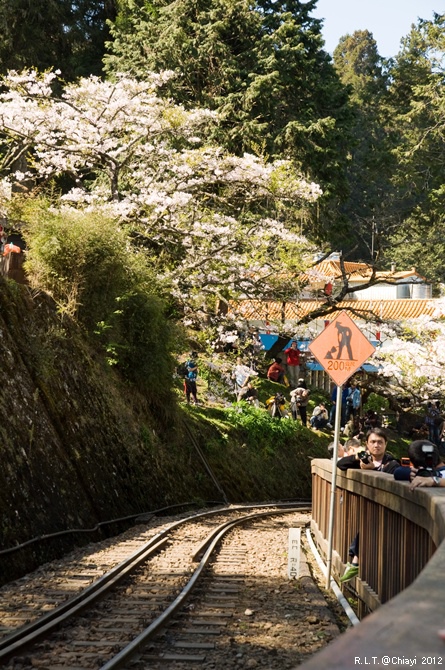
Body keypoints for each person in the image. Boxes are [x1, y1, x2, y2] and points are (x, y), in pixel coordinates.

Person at [337, 427, 399, 582]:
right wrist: (356, 458)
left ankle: (356, 563)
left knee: (368, 529)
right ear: (367, 444)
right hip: (364, 506)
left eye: (380, 442)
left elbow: (393, 479)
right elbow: (341, 465)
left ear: (385, 444)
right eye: (373, 442)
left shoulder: (391, 463)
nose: (376, 445)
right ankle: (355, 562)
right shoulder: (363, 458)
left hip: (386, 507)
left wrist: (374, 470)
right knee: (365, 528)